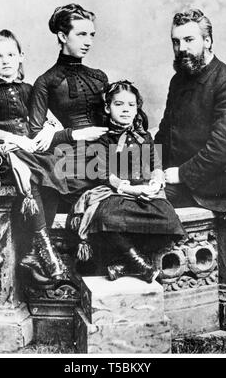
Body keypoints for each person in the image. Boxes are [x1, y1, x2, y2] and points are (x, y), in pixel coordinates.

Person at [0, 29, 69, 283]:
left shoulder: (27, 88)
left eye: (11, 54)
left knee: (55, 169)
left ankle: (35, 251)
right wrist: (11, 138)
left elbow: (42, 120)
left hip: (24, 149)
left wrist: (45, 130)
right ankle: (44, 248)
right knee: (29, 172)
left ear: (21, 56)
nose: (6, 60)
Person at [67, 80, 187, 283]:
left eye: (131, 105)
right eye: (119, 104)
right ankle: (141, 265)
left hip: (146, 192)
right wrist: (130, 190)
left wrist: (155, 184)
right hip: (116, 193)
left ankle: (124, 266)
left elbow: (156, 166)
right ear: (107, 107)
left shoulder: (144, 136)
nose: (125, 110)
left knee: (170, 222)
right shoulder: (102, 139)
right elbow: (106, 175)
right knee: (105, 219)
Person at [154, 9, 226, 212]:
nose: (181, 48)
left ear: (207, 41)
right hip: (181, 181)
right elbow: (165, 133)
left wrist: (181, 174)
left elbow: (224, 147)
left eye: (189, 40)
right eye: (176, 41)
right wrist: (150, 168)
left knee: (139, 205)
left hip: (220, 190)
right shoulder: (178, 80)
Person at [28, 3, 109, 206]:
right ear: (63, 37)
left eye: (92, 35)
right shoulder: (46, 82)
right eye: (81, 34)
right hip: (74, 158)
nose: (89, 42)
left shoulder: (99, 76)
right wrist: (74, 134)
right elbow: (35, 137)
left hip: (108, 150)